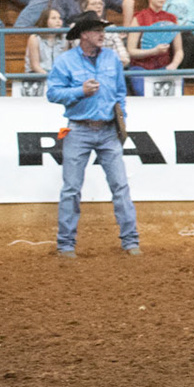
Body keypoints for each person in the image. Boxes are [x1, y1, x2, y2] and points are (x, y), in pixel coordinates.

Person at [45, 13, 140, 256]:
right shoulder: (66, 62)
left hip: (107, 129)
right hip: (78, 128)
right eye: (97, 30)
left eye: (102, 30)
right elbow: (53, 93)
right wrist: (79, 91)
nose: (102, 34)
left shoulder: (111, 59)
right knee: (72, 188)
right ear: (84, 34)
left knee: (120, 186)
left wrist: (122, 121)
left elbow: (120, 93)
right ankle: (66, 244)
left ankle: (131, 241)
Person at [127, 0, 184, 92]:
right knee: (144, 91)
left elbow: (179, 50)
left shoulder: (172, 19)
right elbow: (131, 50)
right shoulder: (139, 18)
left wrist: (174, 64)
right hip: (141, 68)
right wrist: (153, 51)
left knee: (177, 87)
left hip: (164, 67)